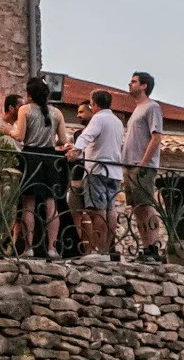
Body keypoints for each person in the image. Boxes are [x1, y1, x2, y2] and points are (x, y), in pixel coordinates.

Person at [10, 77, 68, 259]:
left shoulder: (25, 110)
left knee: (29, 204)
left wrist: (8, 131)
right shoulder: (57, 113)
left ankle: (29, 248)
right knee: (51, 203)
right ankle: (52, 248)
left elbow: (20, 136)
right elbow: (64, 140)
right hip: (50, 157)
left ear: (29, 94)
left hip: (31, 157)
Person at [67, 89, 123, 261]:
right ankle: (107, 249)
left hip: (97, 170)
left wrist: (75, 151)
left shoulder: (98, 119)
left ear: (94, 104)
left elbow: (85, 136)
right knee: (110, 210)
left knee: (97, 211)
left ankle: (100, 251)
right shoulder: (117, 121)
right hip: (114, 171)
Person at [122, 72, 166, 263]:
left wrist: (144, 163)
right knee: (138, 208)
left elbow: (156, 137)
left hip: (141, 167)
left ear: (144, 86)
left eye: (133, 81)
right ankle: (146, 247)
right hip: (130, 165)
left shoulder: (152, 107)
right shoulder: (137, 109)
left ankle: (153, 247)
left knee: (146, 206)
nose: (129, 84)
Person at [64, 99, 95, 257]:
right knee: (74, 212)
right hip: (76, 176)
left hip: (91, 174)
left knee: (91, 214)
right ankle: (75, 249)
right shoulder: (77, 134)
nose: (78, 115)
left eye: (81, 112)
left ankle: (90, 250)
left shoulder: (97, 130)